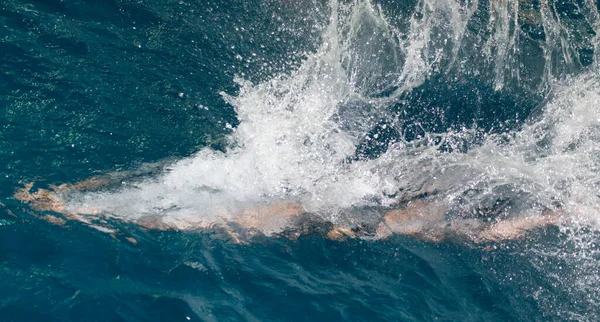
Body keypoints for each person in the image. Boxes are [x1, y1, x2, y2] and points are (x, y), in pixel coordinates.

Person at [14, 172, 563, 244]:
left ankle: (557, 214)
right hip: (343, 209)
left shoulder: (248, 218)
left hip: (341, 214)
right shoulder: (255, 213)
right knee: (438, 228)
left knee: (440, 230)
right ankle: (557, 214)